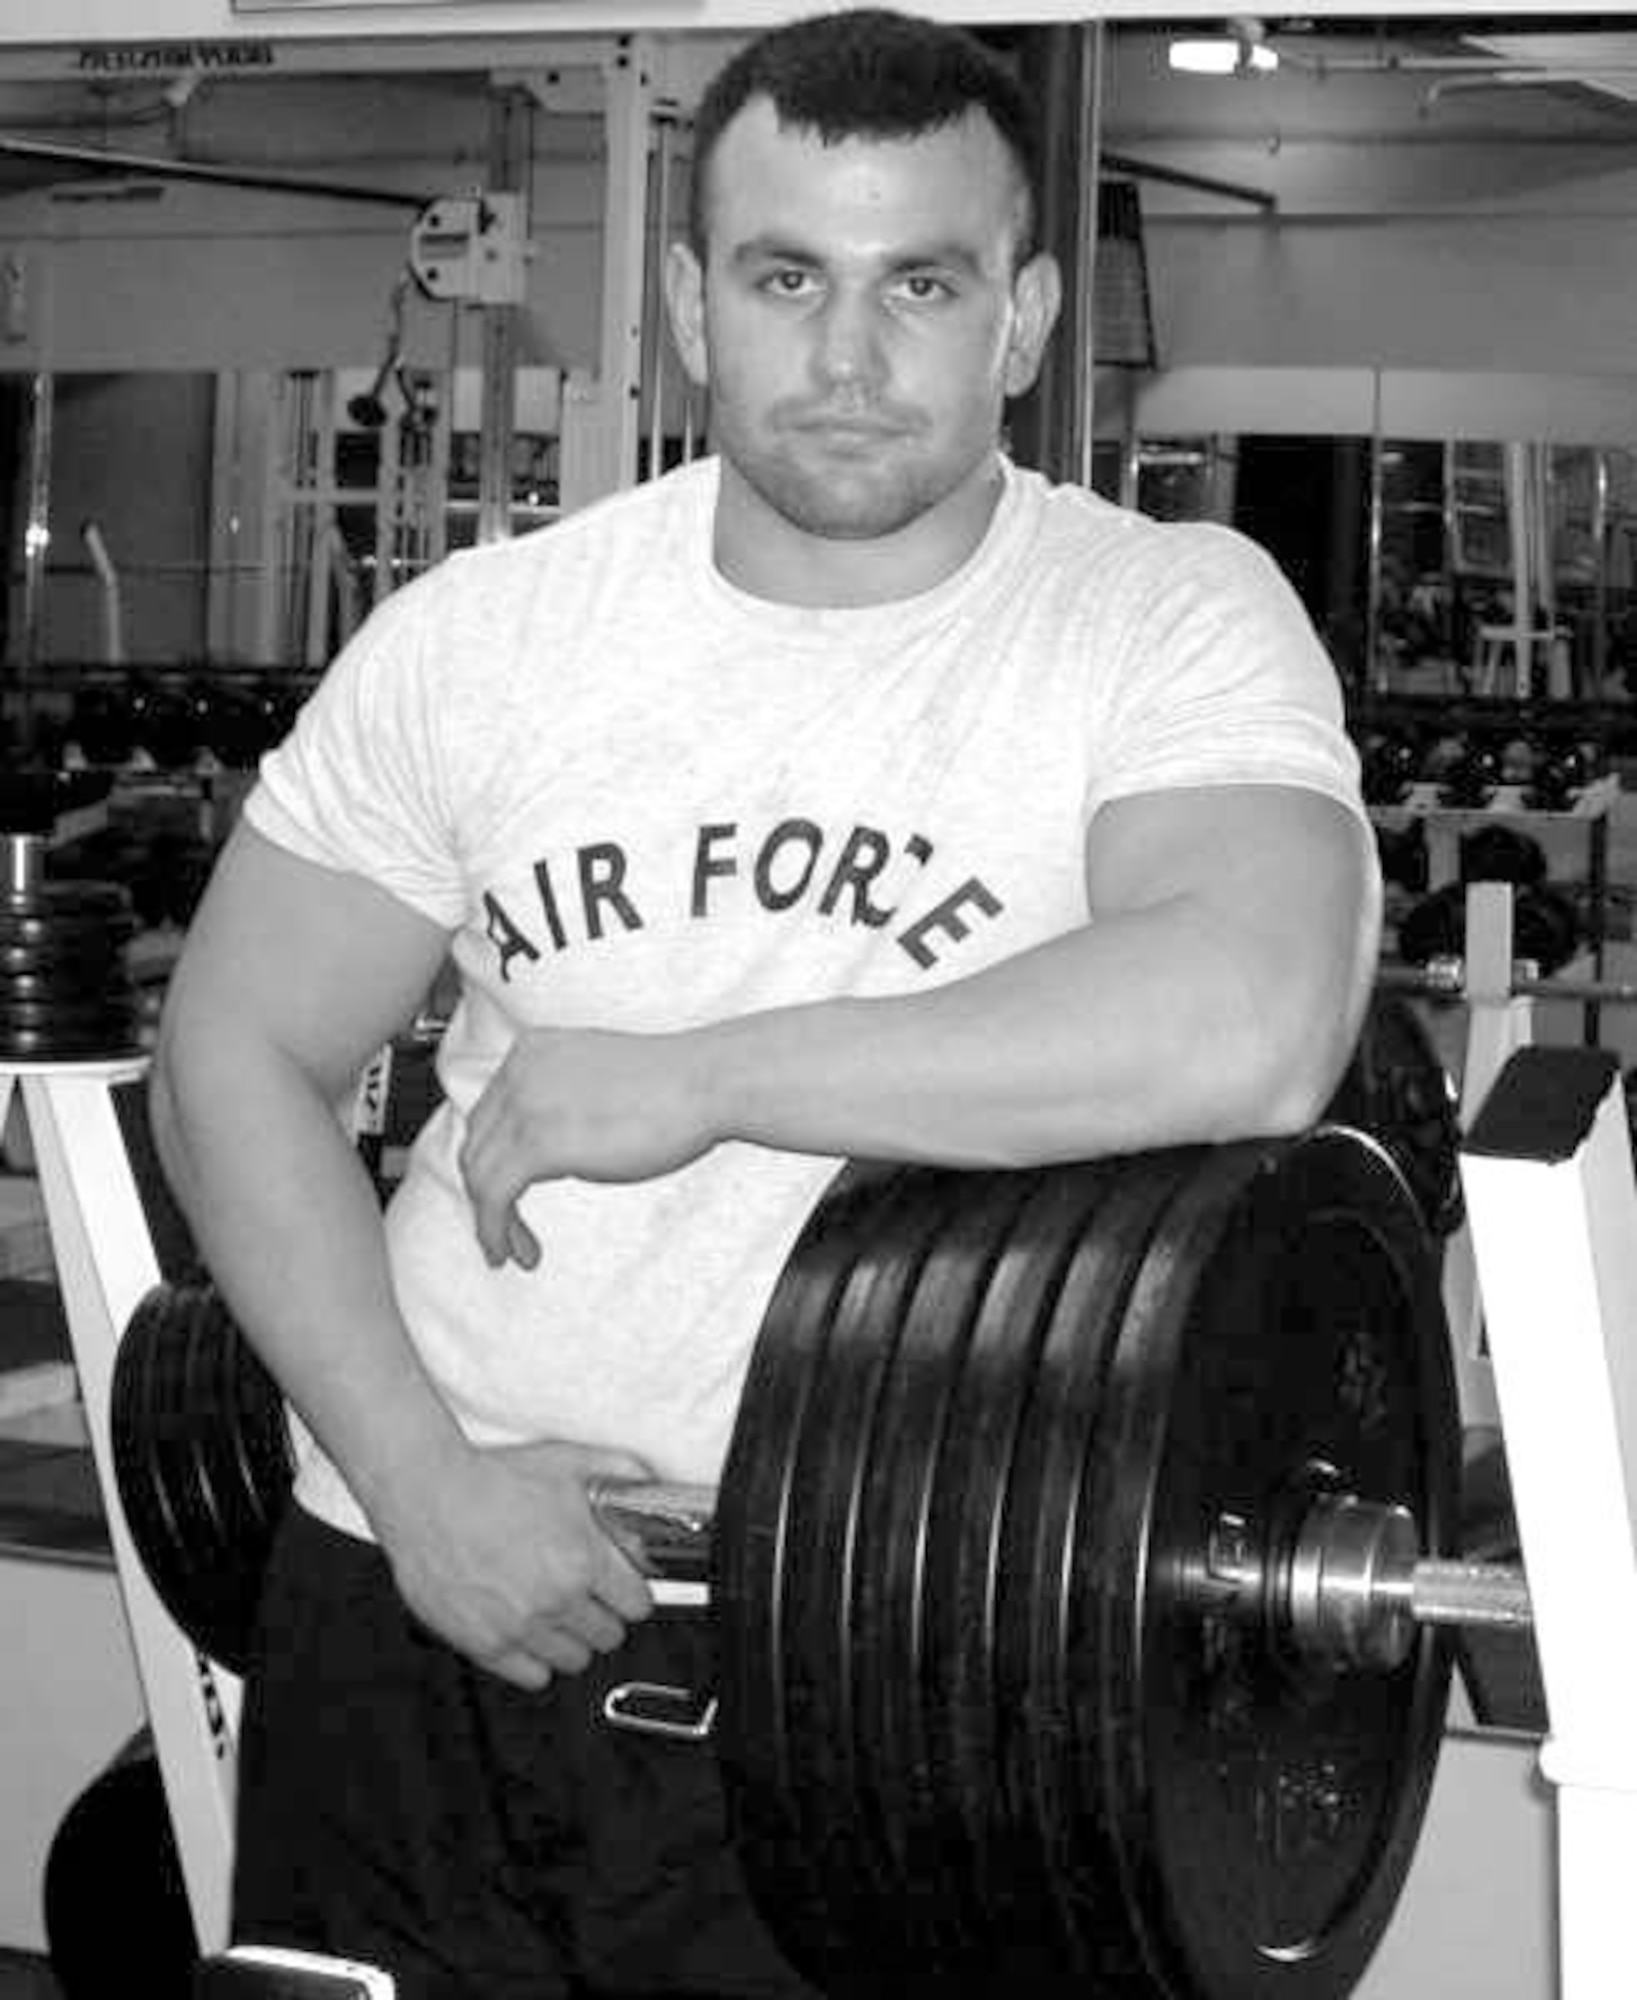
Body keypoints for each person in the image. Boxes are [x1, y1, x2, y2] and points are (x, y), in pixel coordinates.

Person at [148, 9, 1380, 1997]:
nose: (849, 355)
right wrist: (417, 1479)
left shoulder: (1158, 617)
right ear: (688, 305)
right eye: (786, 278)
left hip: (908, 1639)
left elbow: (1248, 1013)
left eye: (923, 284)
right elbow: (234, 1055)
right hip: (421, 1601)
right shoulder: (486, 640)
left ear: (1024, 317)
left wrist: (706, 1078)